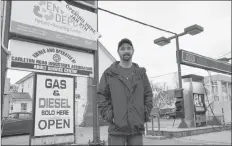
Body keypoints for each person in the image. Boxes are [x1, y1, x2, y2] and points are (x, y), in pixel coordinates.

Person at [97, 38, 153, 145]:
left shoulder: (141, 74)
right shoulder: (109, 74)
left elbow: (148, 95)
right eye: (122, 49)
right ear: (118, 52)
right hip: (116, 129)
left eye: (128, 48)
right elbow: (101, 96)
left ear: (133, 51)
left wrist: (144, 113)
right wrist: (109, 115)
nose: (126, 51)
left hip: (136, 129)